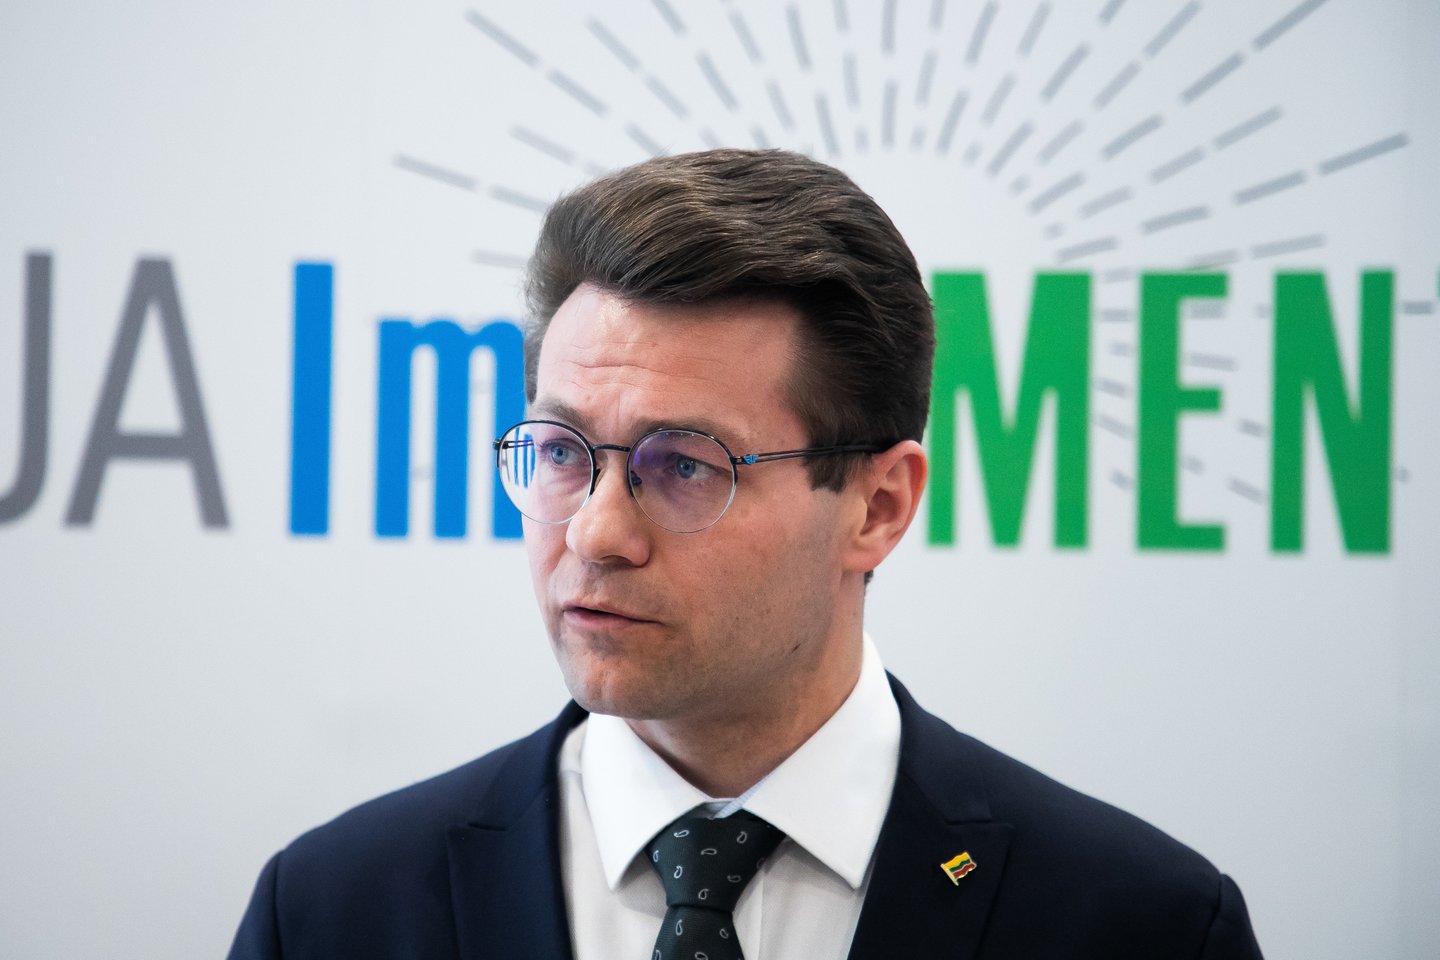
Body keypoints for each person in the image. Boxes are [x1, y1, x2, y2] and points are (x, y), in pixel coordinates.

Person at [228, 148, 1263, 959]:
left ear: (878, 507)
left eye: (685, 465)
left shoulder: (1143, 926)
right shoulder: (331, 910)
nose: (594, 532)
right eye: (563, 453)